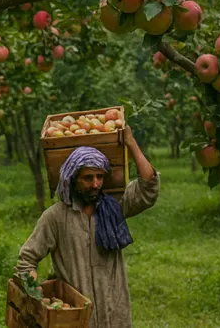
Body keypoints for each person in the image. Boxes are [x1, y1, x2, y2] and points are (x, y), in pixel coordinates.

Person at [14, 126, 160, 328]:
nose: (95, 184)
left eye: (100, 177)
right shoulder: (55, 217)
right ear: (73, 180)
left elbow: (148, 188)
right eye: (88, 178)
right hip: (77, 318)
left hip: (114, 313)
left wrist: (131, 142)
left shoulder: (113, 207)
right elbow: (27, 259)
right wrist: (35, 292)